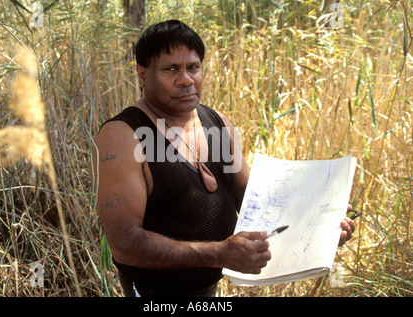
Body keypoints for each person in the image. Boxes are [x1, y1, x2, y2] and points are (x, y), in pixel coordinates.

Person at [92, 20, 355, 297]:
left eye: (193, 67)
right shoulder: (123, 136)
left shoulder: (218, 124)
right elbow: (125, 243)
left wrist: (318, 229)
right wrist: (219, 253)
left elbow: (256, 206)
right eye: (171, 69)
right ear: (142, 74)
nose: (185, 79)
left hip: (209, 290)